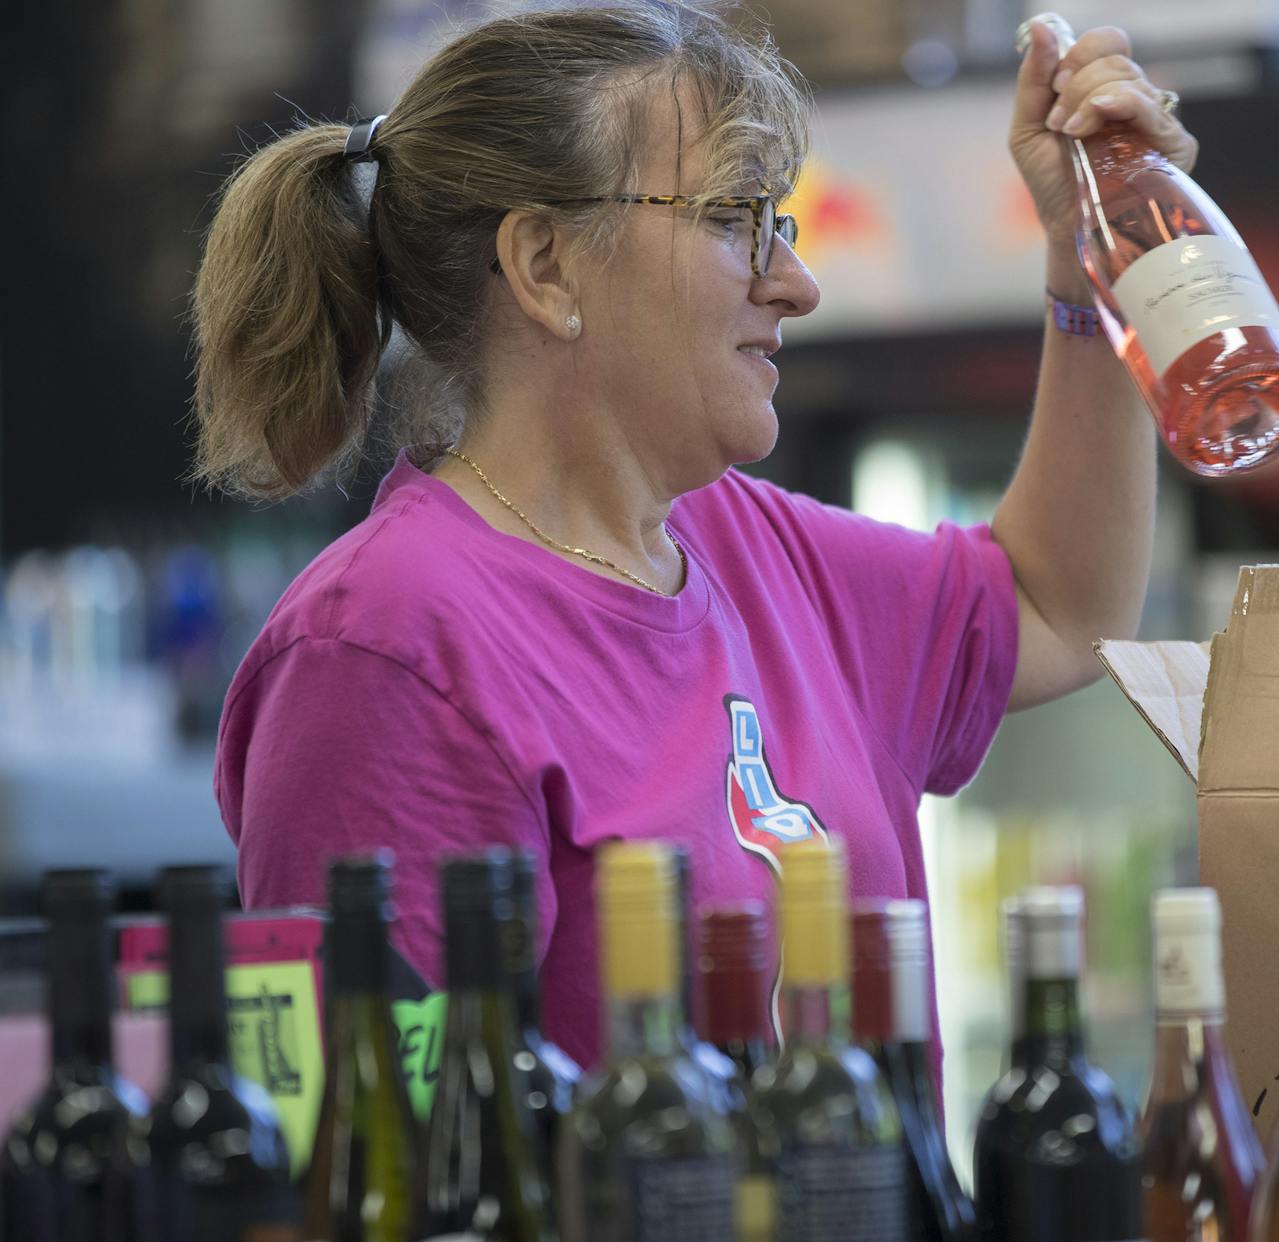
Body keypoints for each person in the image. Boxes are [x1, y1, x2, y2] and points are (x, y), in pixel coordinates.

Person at [197, 3, 1197, 1069]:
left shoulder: (743, 542)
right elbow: (394, 1162)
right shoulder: (385, 650)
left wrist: (1097, 246)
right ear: (543, 264)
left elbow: (1059, 602)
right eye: (732, 217)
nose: (796, 284)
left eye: (781, 220)